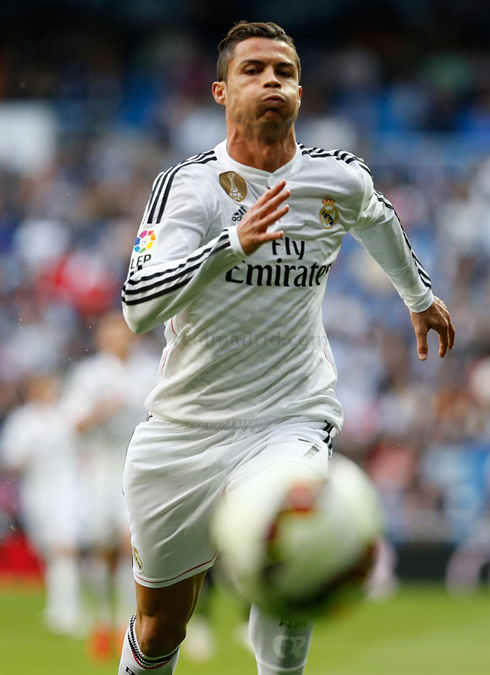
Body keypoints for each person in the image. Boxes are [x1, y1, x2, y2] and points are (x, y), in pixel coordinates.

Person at [118, 21, 455, 675]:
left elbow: (380, 219)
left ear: (300, 90)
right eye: (254, 70)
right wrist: (231, 246)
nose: (272, 79)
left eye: (285, 71)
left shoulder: (337, 178)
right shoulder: (188, 186)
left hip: (289, 416)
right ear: (220, 91)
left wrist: (418, 297)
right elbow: (137, 303)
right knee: (160, 627)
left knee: (295, 581)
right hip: (184, 428)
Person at [64, 311, 159, 658]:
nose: (121, 337)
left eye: (125, 331)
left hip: (137, 464)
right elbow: (74, 424)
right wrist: (103, 409)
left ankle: (125, 620)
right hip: (100, 467)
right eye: (113, 332)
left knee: (129, 543)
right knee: (102, 548)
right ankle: (102, 617)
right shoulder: (89, 374)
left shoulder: (149, 369)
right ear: (102, 337)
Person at [0, 371, 83, 636]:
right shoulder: (22, 421)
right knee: (47, 548)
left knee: (65, 545)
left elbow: (84, 442)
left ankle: (69, 610)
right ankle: (58, 606)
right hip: (36, 490)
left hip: (67, 487)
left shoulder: (65, 415)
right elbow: (11, 460)